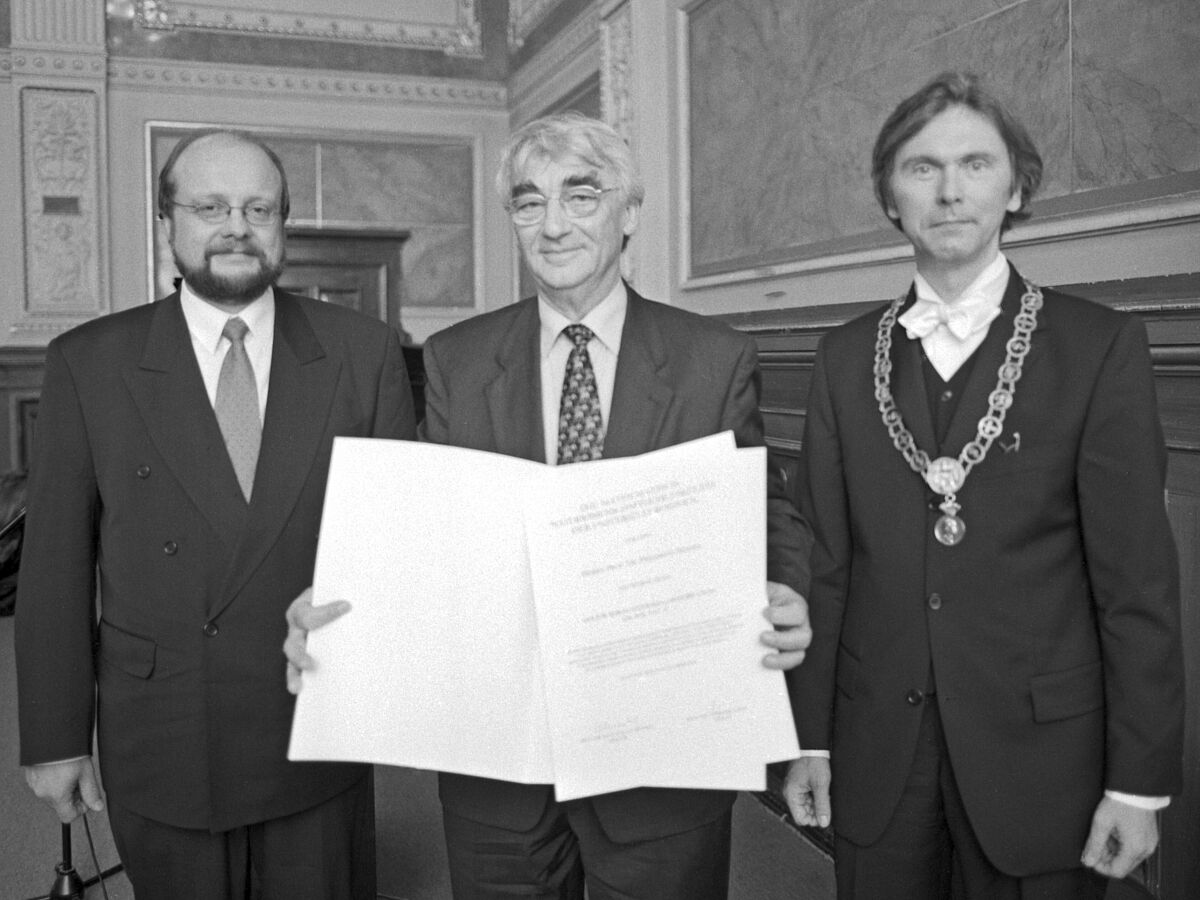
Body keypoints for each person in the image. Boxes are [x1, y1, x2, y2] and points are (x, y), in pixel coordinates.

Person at [285, 111, 813, 900]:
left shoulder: (712, 357)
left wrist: (790, 589)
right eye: (530, 203)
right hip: (497, 760)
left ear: (629, 212)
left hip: (660, 752)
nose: (554, 223)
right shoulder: (457, 359)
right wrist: (343, 608)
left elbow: (760, 510)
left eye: (582, 194)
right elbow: (429, 535)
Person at [782, 71, 1183, 898]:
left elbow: (1136, 583)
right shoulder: (841, 356)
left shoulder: (1097, 347)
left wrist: (1138, 782)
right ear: (891, 196)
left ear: (1016, 186)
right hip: (875, 751)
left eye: (975, 164)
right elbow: (823, 566)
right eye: (922, 168)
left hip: (1045, 759)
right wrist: (808, 738)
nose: (951, 190)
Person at [15, 129, 417, 899]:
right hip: (163, 728)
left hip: (314, 719)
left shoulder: (362, 351)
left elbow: (398, 540)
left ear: (281, 226)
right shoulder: (88, 361)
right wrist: (57, 738)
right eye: (209, 206)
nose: (236, 224)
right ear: (167, 223)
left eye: (257, 207)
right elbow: (56, 566)